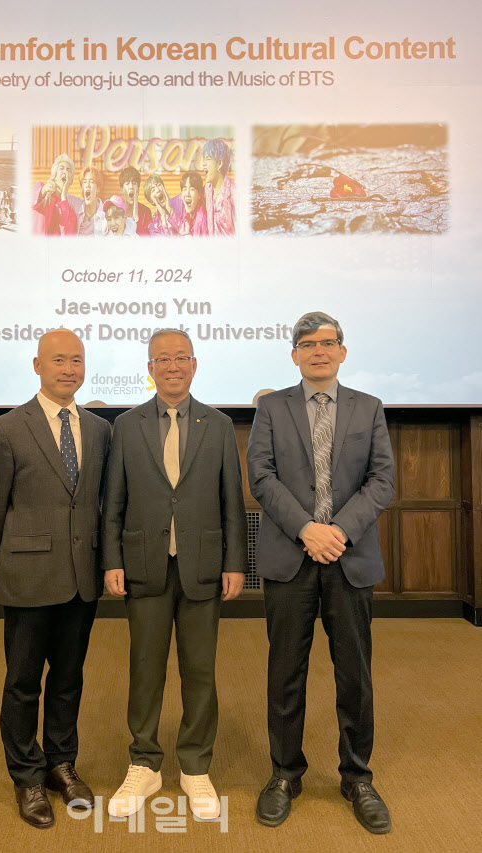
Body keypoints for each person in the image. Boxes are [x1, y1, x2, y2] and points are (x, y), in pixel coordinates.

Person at [246, 311, 395, 835]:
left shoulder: (369, 408)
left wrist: (338, 533)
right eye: (307, 344)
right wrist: (308, 528)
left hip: (349, 559)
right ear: (294, 354)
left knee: (354, 674)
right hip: (291, 555)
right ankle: (285, 773)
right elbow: (261, 476)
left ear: (342, 351)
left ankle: (357, 776)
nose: (318, 351)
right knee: (285, 673)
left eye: (327, 342)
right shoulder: (272, 408)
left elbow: (382, 481)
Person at [103, 329, 248, 821]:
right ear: (149, 367)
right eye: (161, 359)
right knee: (144, 667)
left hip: (204, 566)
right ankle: (144, 763)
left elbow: (232, 499)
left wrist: (235, 563)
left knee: (199, 670)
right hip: (143, 564)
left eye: (180, 357)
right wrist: (111, 559)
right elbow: (114, 502)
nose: (171, 366)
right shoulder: (126, 425)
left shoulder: (220, 424)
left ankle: (194, 764)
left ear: (194, 364)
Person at [0, 329, 111, 830]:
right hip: (29, 577)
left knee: (69, 678)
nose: (69, 369)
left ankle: (60, 764)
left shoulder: (100, 429)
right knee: (23, 682)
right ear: (37, 365)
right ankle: (27, 776)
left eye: (77, 360)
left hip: (82, 579)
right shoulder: (7, 428)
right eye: (59, 360)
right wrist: (13, 558)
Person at [32, 154, 84, 235]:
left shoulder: (71, 215)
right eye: (61, 168)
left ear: (71, 181)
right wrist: (43, 191)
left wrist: (63, 196)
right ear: (54, 175)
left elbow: (66, 236)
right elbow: (32, 203)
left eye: (68, 170)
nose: (65, 172)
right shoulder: (40, 191)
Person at [201, 138, 235, 236]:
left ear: (219, 164)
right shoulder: (206, 191)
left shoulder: (235, 193)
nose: (203, 163)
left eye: (208, 159)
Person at [170, 171, 208, 236]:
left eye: (192, 189)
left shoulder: (201, 219)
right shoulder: (188, 215)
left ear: (199, 194)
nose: (187, 194)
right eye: (184, 189)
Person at [118, 166, 151, 235]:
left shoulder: (146, 212)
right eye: (127, 183)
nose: (131, 187)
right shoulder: (116, 211)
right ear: (121, 189)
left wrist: (136, 219)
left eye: (134, 183)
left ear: (138, 189)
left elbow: (146, 240)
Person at [78, 166, 107, 236]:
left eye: (91, 182)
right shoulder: (76, 208)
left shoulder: (106, 214)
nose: (87, 185)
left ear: (98, 189)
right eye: (84, 182)